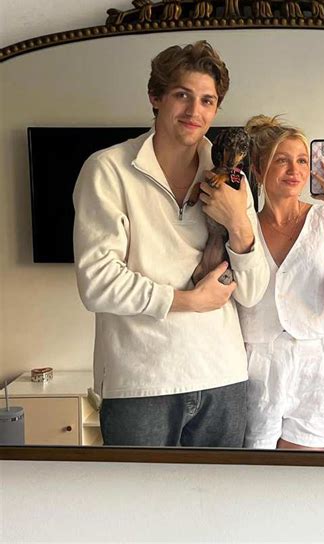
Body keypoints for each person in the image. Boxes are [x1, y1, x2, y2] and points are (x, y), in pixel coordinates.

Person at [72, 41, 269, 447]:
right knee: (137, 492)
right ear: (155, 97)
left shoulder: (232, 178)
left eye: (207, 101)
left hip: (222, 376)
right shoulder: (108, 170)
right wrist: (189, 301)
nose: (195, 111)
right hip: (140, 381)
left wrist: (238, 222)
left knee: (221, 492)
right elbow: (97, 282)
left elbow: (252, 291)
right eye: (182, 95)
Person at [238, 115, 324, 450]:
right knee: (254, 474)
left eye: (303, 160)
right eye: (282, 160)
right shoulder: (241, 224)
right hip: (255, 365)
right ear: (258, 170)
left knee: (303, 476)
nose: (295, 170)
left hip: (317, 366)